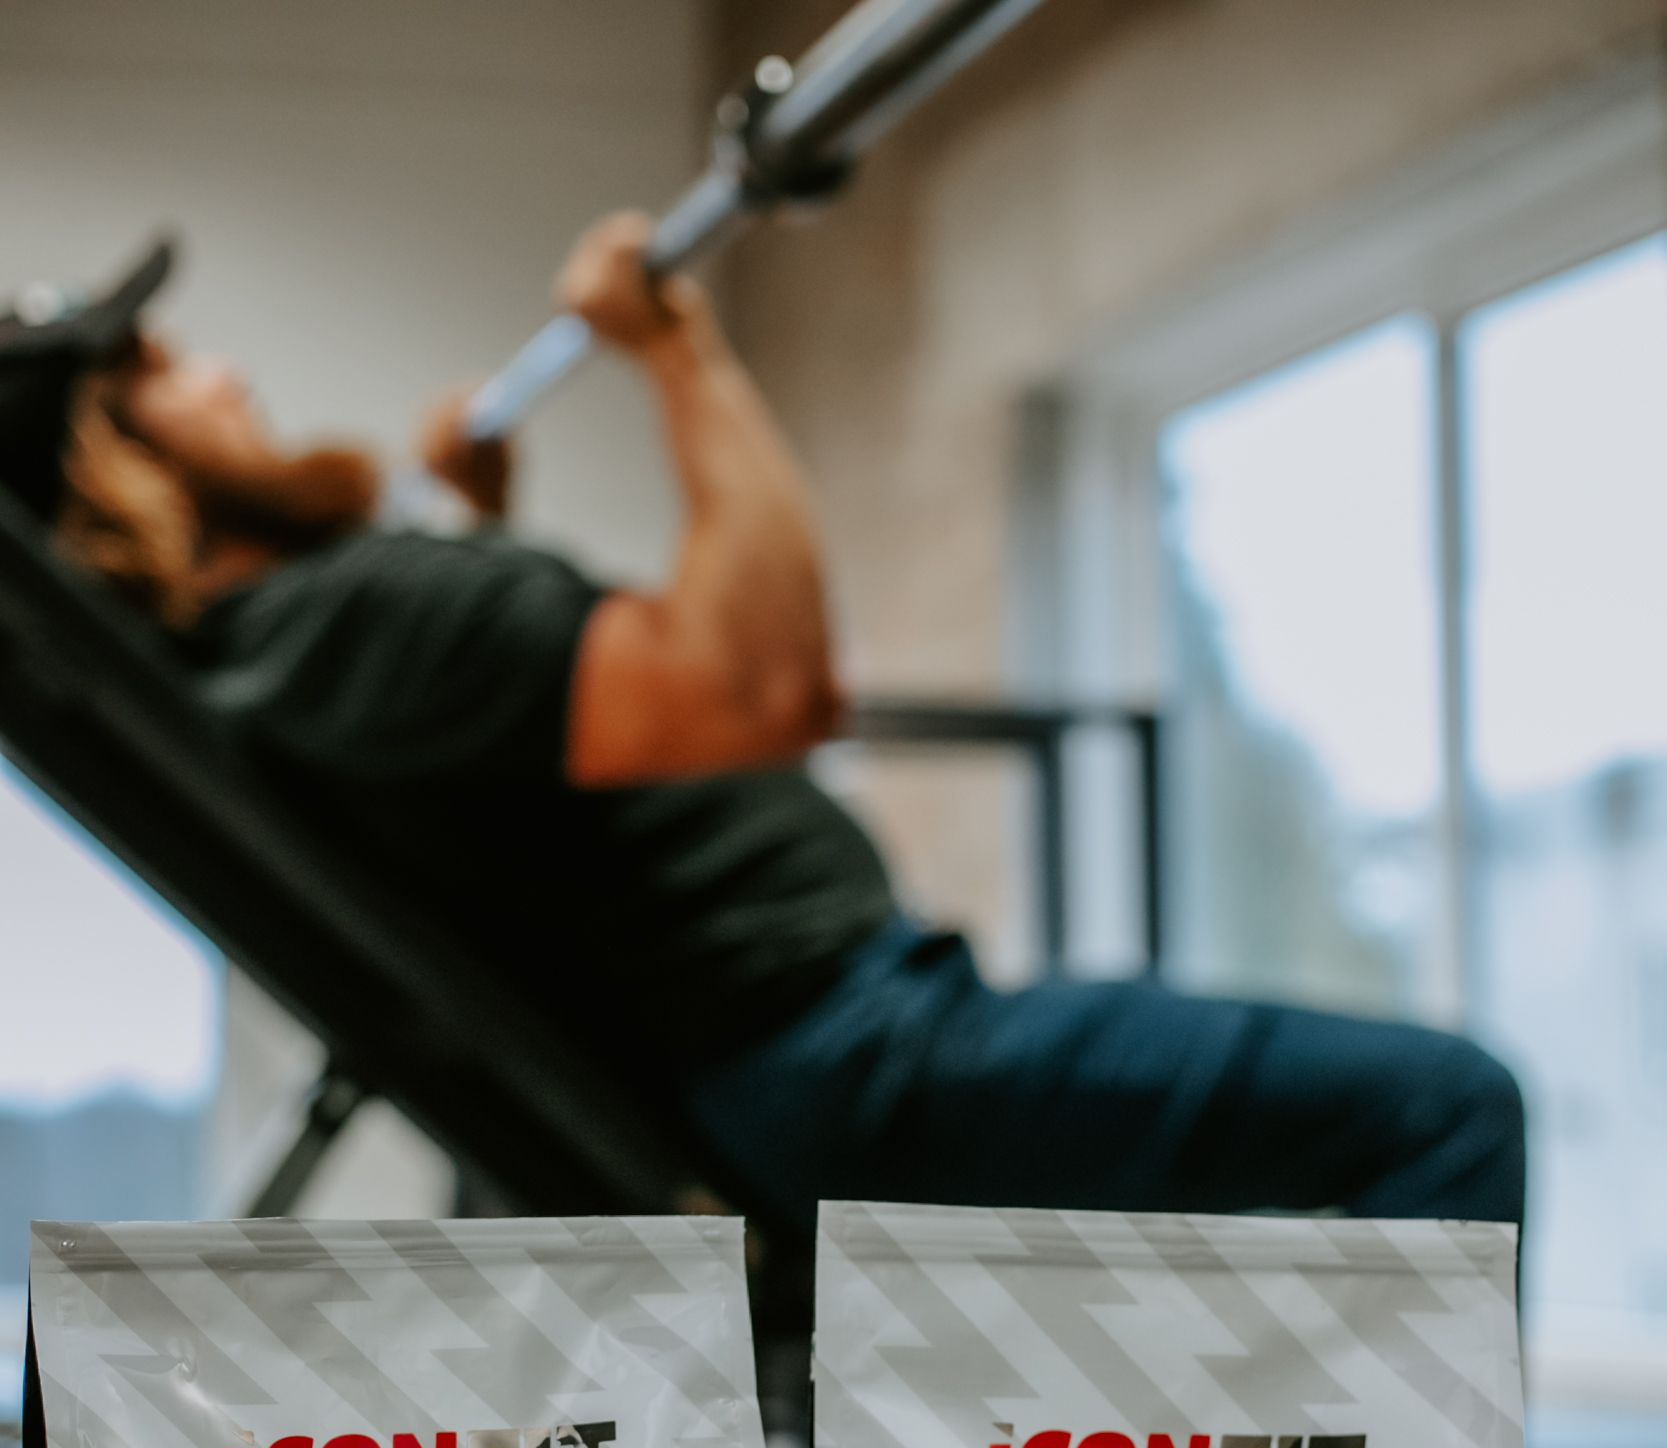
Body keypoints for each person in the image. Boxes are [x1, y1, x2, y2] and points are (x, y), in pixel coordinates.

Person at [0, 229, 1524, 1242]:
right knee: (1445, 1108)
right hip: (848, 1054)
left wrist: (481, 526)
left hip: (808, 1051)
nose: (226, 376)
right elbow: (777, 687)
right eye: (165, 373)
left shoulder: (287, 653)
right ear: (109, 460)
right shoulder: (357, 619)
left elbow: (508, 764)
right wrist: (679, 349)